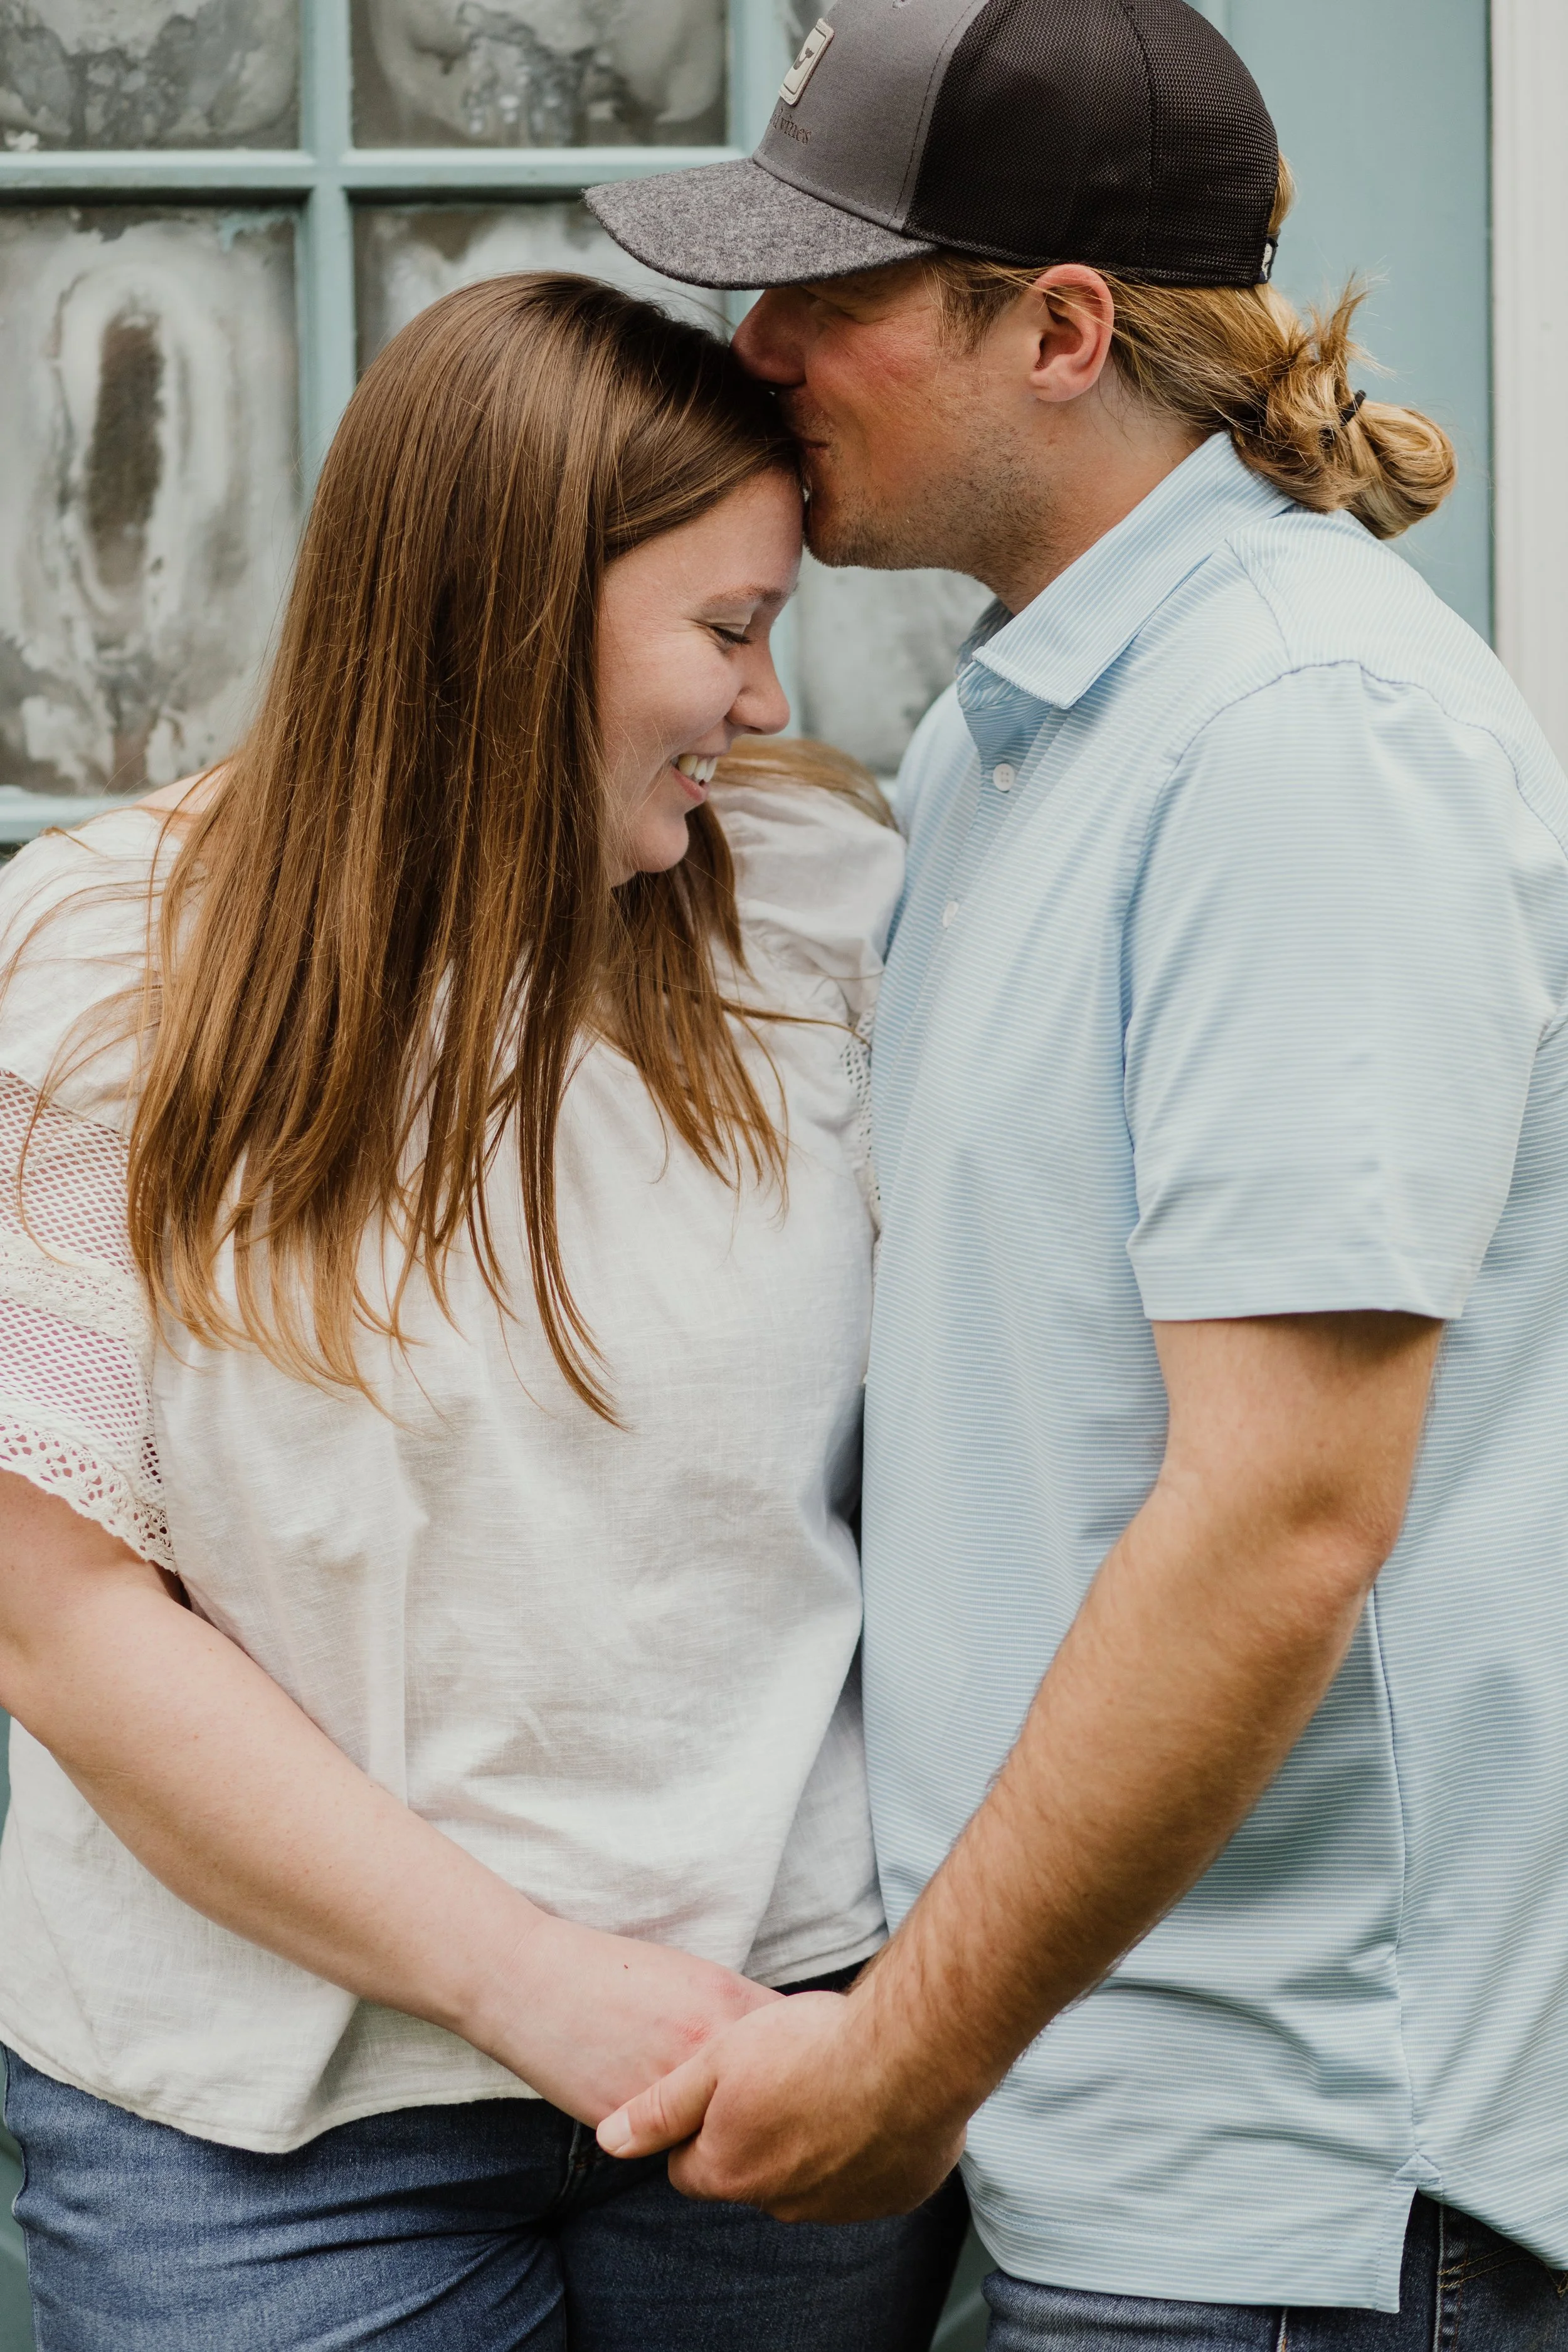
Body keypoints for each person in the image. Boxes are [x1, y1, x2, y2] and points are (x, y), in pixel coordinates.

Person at [588, 4, 1568, 2346]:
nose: (760, 347)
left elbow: (1278, 1520)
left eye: (831, 289)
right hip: (1103, 2162)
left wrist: (899, 2065)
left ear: (1056, 329)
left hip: (1294, 2205)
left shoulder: (1294, 736)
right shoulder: (1015, 739)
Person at [0, 273, 967, 2349]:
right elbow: (57, 1614)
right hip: (260, 2139)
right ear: (515, 620)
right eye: (723, 629)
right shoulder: (90, 966)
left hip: (766, 2065)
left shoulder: (822, 910)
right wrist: (531, 1977)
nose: (765, 701)